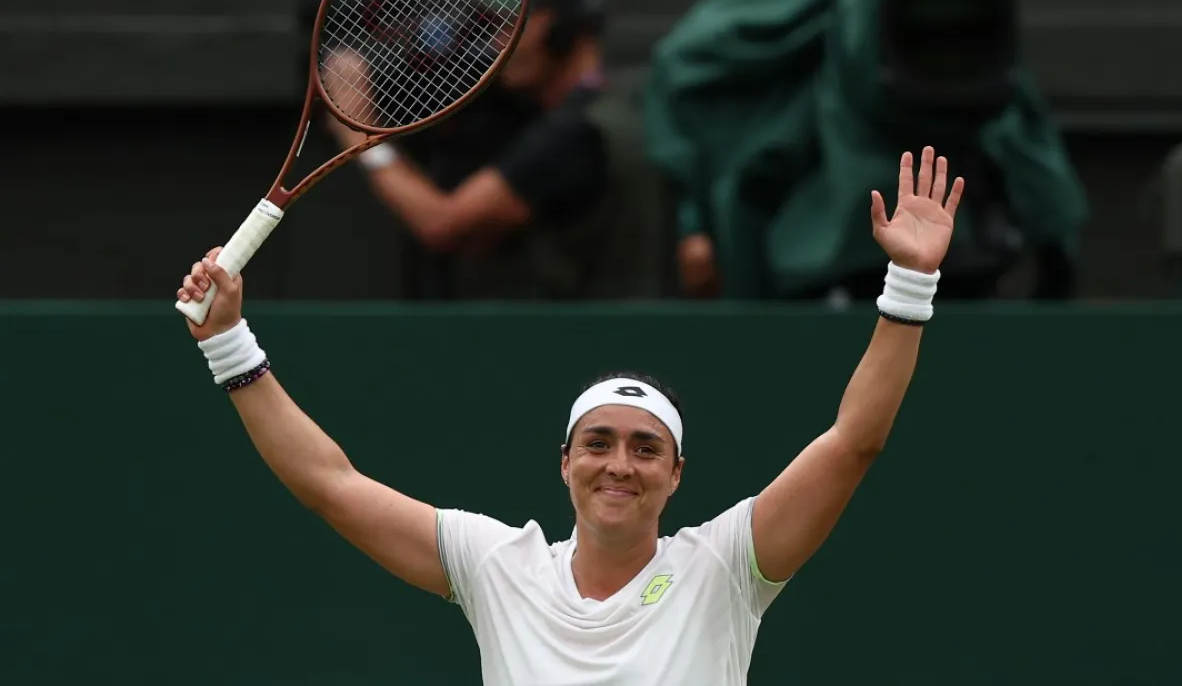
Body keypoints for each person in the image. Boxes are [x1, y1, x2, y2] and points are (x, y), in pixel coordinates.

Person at [175, 147, 965, 684]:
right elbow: (331, 485)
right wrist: (228, 344)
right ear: (565, 461)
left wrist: (910, 285)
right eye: (599, 443)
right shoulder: (498, 567)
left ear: (676, 475)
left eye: (646, 449)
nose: (620, 464)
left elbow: (853, 442)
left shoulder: (725, 568)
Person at [324, 0, 619, 299]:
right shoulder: (598, 109)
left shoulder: (574, 133)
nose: (496, 44)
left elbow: (443, 224)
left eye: (507, 26)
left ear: (544, 27)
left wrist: (361, 136)